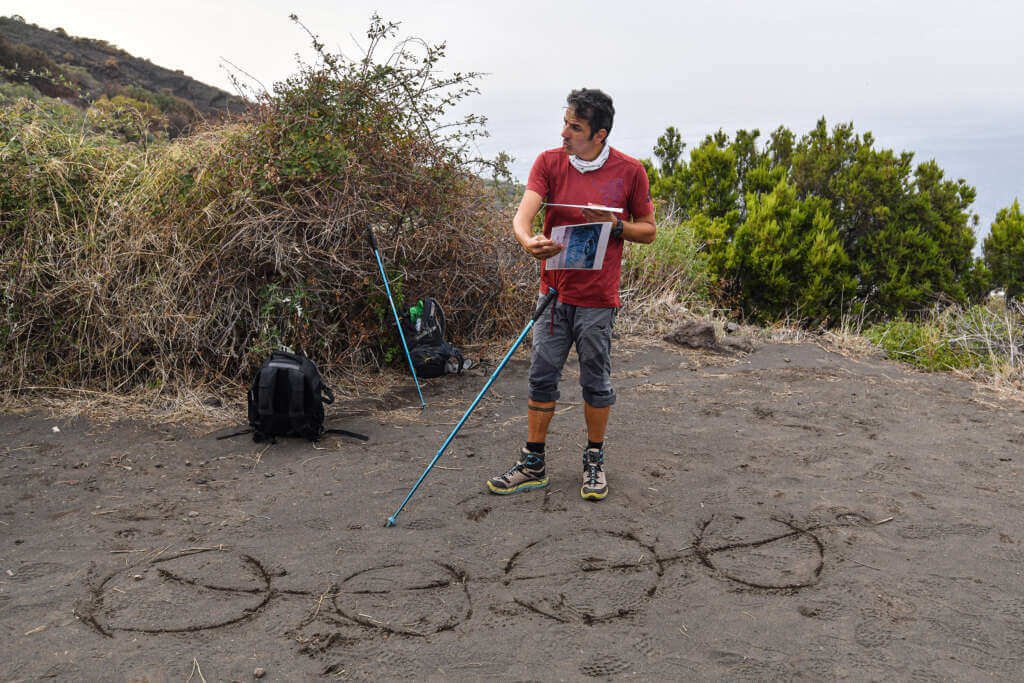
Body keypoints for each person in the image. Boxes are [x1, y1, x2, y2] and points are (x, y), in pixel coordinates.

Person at [486, 88, 656, 501]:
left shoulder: (630, 171)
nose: (564, 133)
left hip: (598, 299)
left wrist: (614, 226)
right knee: (541, 377)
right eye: (564, 122)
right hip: (553, 294)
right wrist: (528, 240)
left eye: (574, 127)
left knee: (595, 383)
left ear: (599, 134)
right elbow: (523, 215)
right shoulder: (548, 162)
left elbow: (648, 231)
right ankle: (533, 463)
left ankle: (594, 460)